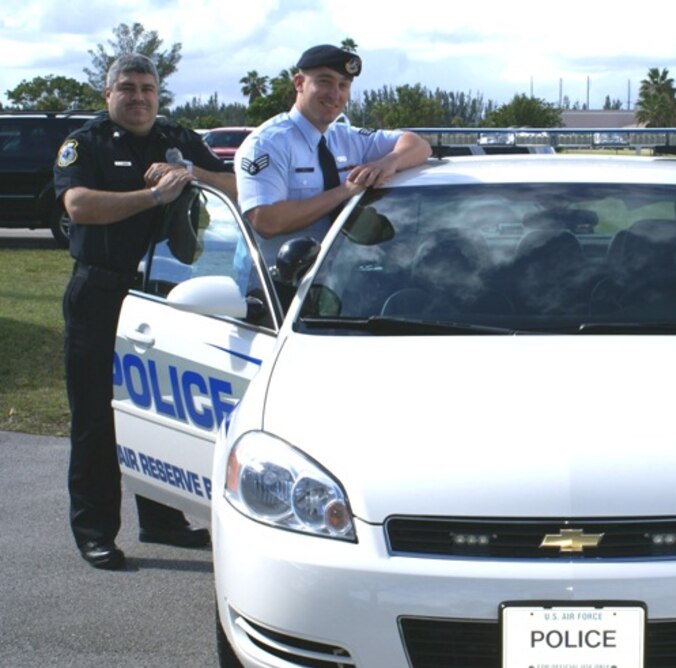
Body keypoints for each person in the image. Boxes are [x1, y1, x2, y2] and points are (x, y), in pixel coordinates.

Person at [55, 53, 236, 570]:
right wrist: (154, 196)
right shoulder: (84, 144)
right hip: (100, 292)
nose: (138, 98)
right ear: (108, 94)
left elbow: (237, 189)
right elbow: (79, 206)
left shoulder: (175, 138)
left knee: (157, 405)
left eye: (148, 89)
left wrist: (189, 171)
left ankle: (162, 520)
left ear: (159, 94)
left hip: (164, 296)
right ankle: (94, 530)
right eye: (128, 88)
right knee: (95, 414)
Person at [236, 44, 431, 264]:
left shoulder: (346, 137)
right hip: (278, 286)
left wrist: (389, 162)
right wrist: (346, 190)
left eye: (343, 85)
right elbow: (266, 221)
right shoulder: (267, 144)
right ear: (299, 83)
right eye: (324, 82)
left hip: (338, 280)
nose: (335, 94)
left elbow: (419, 145)